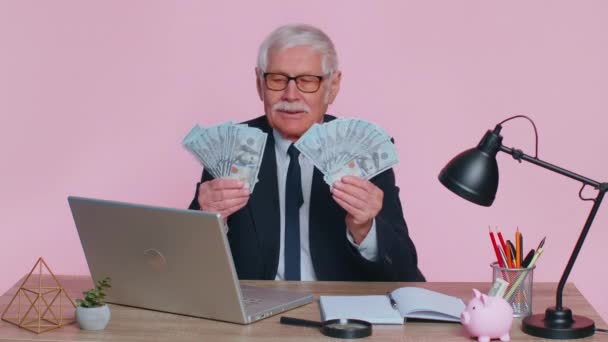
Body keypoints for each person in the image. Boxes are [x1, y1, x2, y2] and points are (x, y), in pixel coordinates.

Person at [189, 24, 424, 282]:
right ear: (259, 83)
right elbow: (186, 267)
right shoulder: (229, 149)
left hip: (338, 314)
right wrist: (207, 218)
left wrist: (366, 228)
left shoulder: (365, 155)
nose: (291, 95)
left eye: (307, 81)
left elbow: (406, 271)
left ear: (332, 86)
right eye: (277, 79)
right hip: (256, 312)